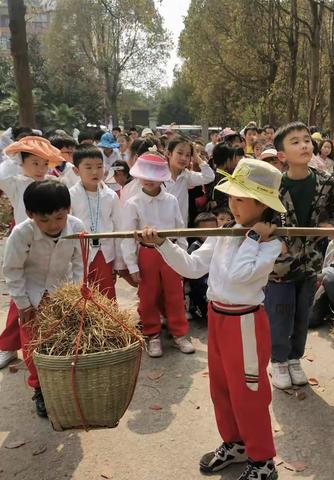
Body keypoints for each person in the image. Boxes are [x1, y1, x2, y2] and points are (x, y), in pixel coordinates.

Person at [137, 157, 284, 480]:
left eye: (240, 199)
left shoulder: (271, 243)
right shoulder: (224, 233)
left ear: (261, 204)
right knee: (221, 388)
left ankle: (262, 460)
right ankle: (235, 443)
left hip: (245, 322)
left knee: (249, 394)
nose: (232, 205)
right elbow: (191, 267)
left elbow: (240, 275)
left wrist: (255, 239)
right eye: (231, 197)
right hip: (218, 318)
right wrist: (161, 244)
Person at [265, 121, 334, 390]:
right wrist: (273, 237)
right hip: (279, 268)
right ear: (282, 155)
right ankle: (277, 360)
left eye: (306, 140)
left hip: (311, 264)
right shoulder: (272, 187)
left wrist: (332, 226)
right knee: (280, 313)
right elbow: (259, 218)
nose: (304, 145)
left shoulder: (326, 182)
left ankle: (294, 358)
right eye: (295, 142)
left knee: (302, 315)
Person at [3, 180, 85, 416]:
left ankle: (64, 385)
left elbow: (79, 263)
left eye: (59, 218)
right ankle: (40, 389)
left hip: (63, 292)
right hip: (32, 294)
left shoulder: (76, 227)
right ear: (30, 214)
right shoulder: (21, 234)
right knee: (34, 347)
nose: (52, 225)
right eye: (44, 220)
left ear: (67, 210)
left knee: (64, 341)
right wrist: (23, 303)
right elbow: (13, 270)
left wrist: (76, 294)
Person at [121, 151, 195, 356]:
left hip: (170, 252)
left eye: (153, 176)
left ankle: (179, 333)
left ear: (161, 178)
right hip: (147, 253)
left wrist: (183, 258)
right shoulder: (133, 203)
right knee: (148, 295)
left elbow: (180, 229)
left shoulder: (171, 200)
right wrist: (132, 265)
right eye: (144, 175)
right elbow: (127, 236)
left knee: (175, 294)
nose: (148, 180)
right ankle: (152, 334)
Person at [0, 137, 64, 370]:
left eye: (44, 163)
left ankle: (41, 348)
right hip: (23, 247)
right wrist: (15, 150)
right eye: (34, 163)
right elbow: (2, 172)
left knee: (46, 299)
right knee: (21, 301)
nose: (40, 169)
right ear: (22, 163)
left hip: (50, 246)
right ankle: (7, 347)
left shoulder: (53, 182)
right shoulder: (16, 183)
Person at [69, 146, 124, 300]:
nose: (95, 172)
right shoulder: (70, 195)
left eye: (99, 167)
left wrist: (120, 262)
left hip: (104, 253)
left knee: (106, 294)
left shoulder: (111, 196)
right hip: (80, 252)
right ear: (76, 170)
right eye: (88, 167)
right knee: (80, 294)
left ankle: (108, 324)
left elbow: (118, 228)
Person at [164, 136, 215, 227]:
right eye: (180, 153)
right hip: (161, 228)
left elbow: (209, 177)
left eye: (188, 155)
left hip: (180, 230)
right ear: (169, 153)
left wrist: (196, 157)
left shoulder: (187, 176)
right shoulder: (159, 176)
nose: (183, 158)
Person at [186, 212, 218, 320]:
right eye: (206, 232)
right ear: (198, 233)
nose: (210, 235)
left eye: (213, 231)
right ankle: (195, 309)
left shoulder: (220, 244)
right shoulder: (195, 247)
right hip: (200, 285)